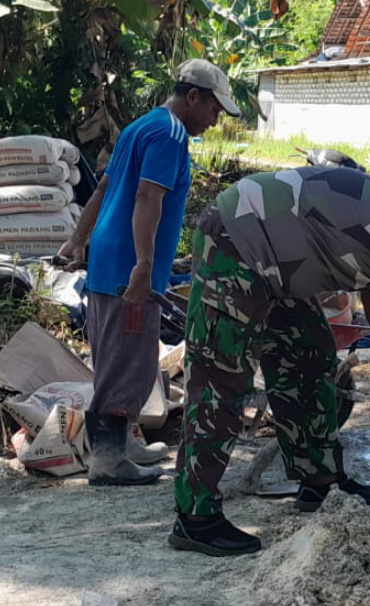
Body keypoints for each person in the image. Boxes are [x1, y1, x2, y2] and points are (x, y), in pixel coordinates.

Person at [168, 165, 370, 557]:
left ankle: (318, 481)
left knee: (309, 355)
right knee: (221, 376)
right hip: (238, 239)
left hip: (277, 261)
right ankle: (195, 517)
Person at [57, 60, 239, 486]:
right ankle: (108, 459)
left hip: (108, 260)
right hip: (129, 267)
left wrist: (76, 240)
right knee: (130, 364)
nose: (216, 119)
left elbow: (103, 188)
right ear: (193, 96)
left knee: (115, 358)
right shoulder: (170, 135)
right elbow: (147, 197)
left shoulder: (141, 127)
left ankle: (122, 444)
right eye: (215, 109)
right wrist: (143, 264)